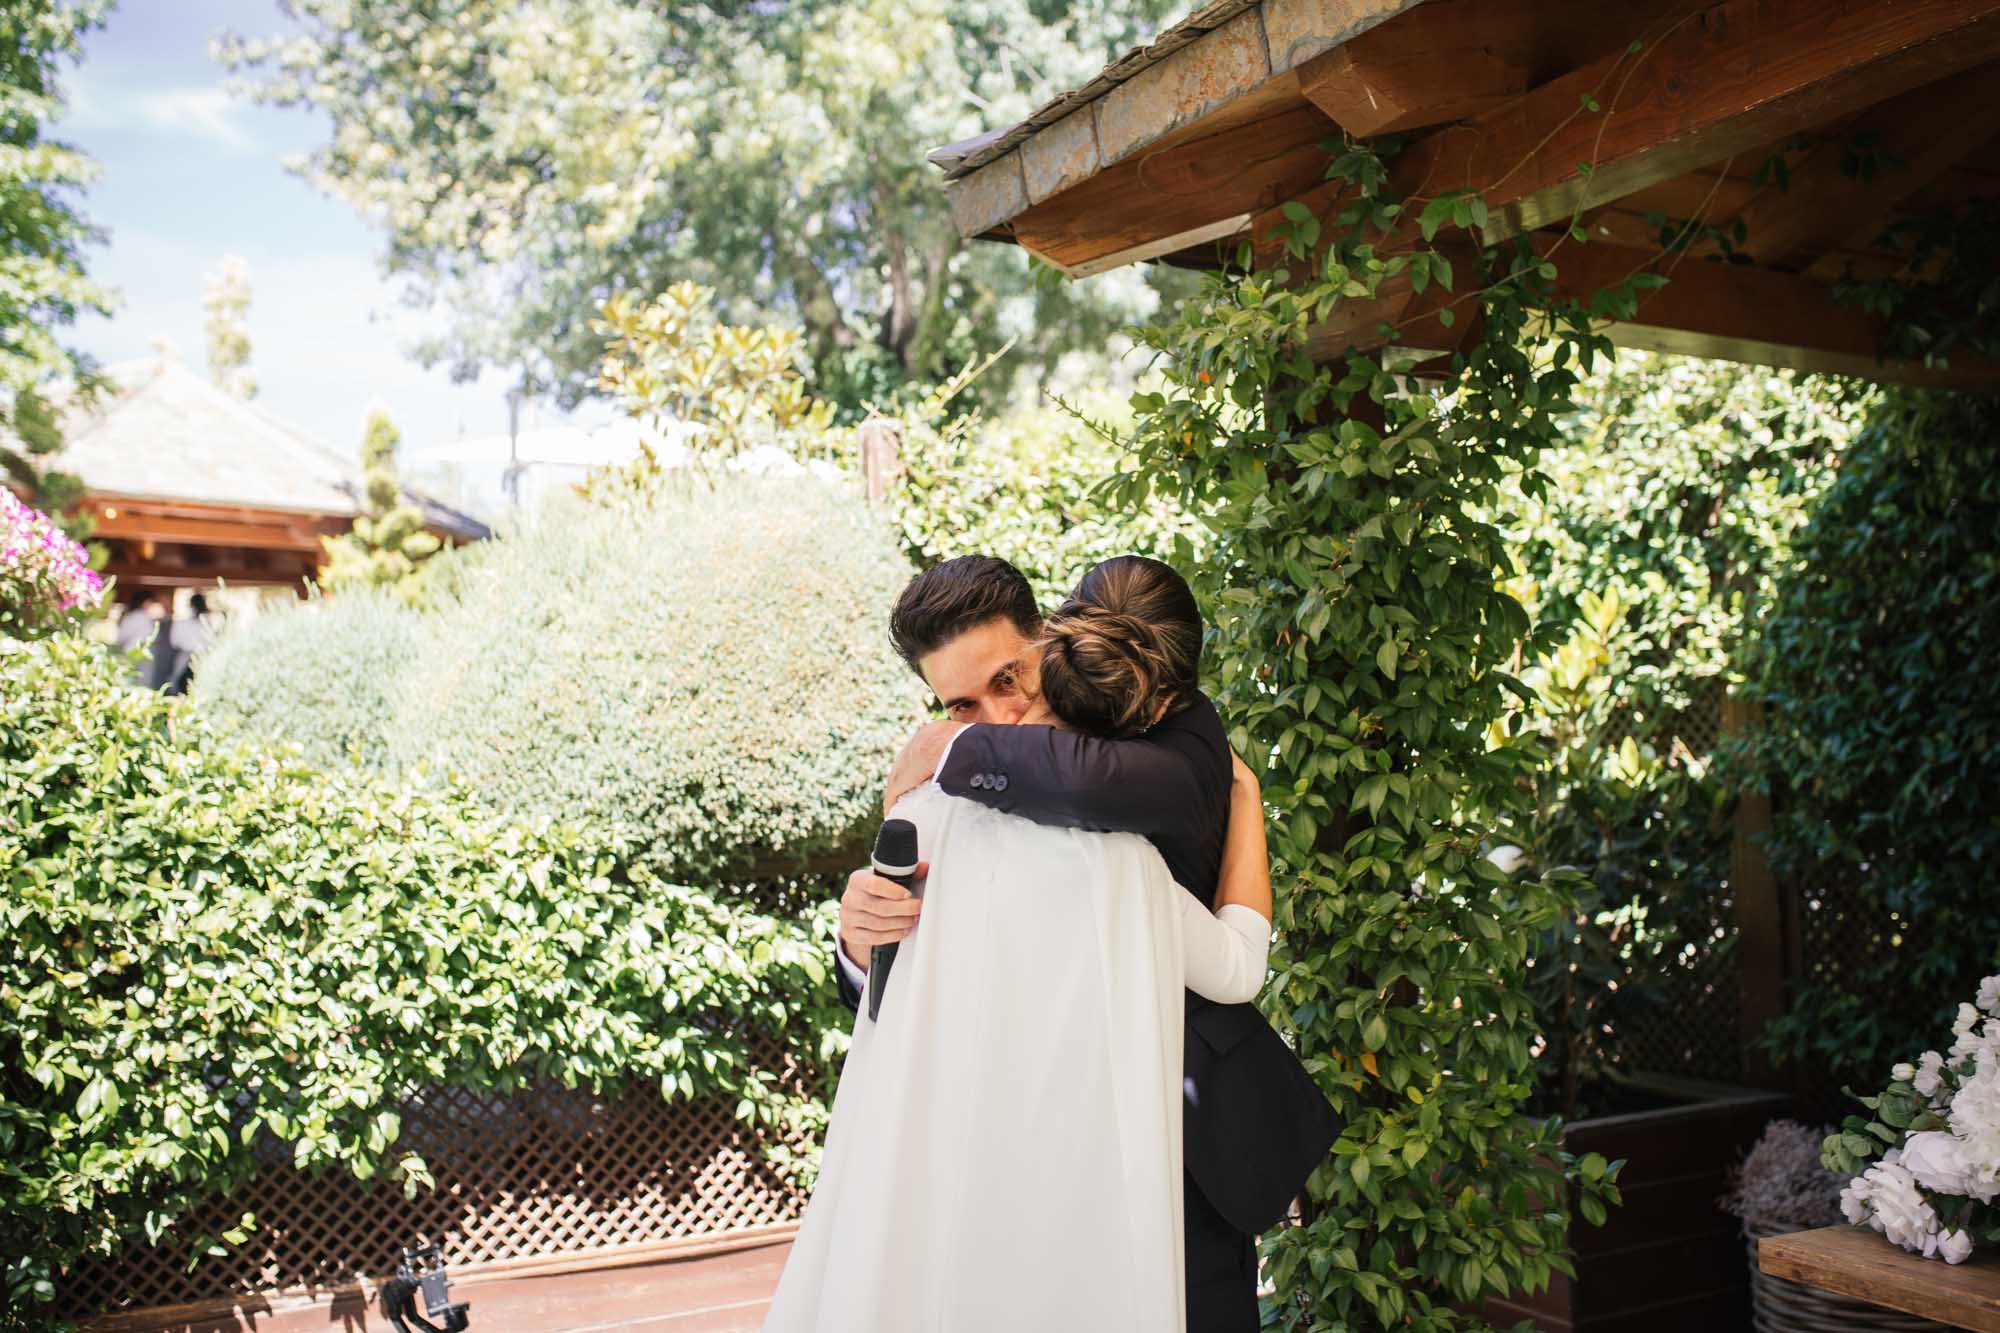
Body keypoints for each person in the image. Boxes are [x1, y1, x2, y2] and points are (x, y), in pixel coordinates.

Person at [764, 558, 1277, 1331]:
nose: (998, 718)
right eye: (962, 705)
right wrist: (861, 944)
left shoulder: (1163, 726)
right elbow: (907, 995)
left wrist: (951, 748)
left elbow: (1125, 787)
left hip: (1178, 1146)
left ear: (1050, 638)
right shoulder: (940, 808)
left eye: (1009, 678)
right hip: (1004, 1166)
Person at [162, 591, 218, 696]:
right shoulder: (209, 623)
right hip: (198, 657)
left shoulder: (183, 623)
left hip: (192, 657)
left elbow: (175, 642)